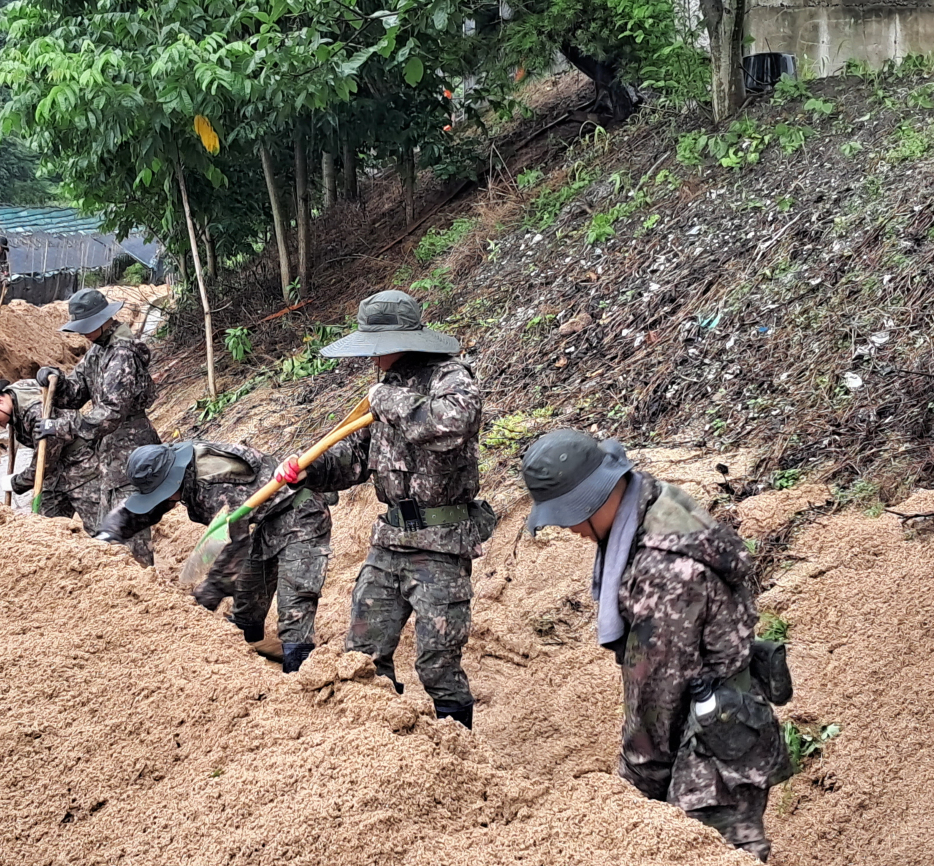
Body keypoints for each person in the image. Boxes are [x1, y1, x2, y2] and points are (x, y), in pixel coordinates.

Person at [520, 429, 792, 862]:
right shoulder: (654, 501)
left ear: (588, 502)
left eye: (565, 516)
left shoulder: (661, 570)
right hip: (722, 715)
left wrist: (634, 783)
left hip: (713, 744)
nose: (569, 530)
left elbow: (658, 693)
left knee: (715, 852)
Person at [272, 290, 494, 727]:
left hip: (441, 548)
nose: (371, 355)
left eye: (378, 344)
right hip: (389, 542)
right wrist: (308, 471)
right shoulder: (384, 390)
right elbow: (352, 459)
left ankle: (461, 757)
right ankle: (382, 741)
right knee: (364, 654)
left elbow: (449, 425)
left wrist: (386, 401)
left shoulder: (450, 378)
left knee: (437, 665)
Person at [97, 442, 333, 671]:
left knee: (294, 601)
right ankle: (248, 664)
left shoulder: (215, 487)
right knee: (249, 597)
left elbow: (234, 548)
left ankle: (299, 674)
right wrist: (109, 533)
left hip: (301, 511)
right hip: (262, 518)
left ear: (174, 480)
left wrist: (200, 602)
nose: (166, 498)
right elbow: (151, 504)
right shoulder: (169, 465)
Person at [35, 289, 159, 564]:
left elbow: (112, 412)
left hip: (132, 453)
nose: (84, 333)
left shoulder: (123, 354)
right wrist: (55, 379)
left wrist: (64, 427)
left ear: (105, 319)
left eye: (88, 327)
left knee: (130, 532)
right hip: (108, 453)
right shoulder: (99, 351)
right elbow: (76, 393)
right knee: (111, 533)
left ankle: (143, 593)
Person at [0, 379, 104, 529]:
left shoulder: (35, 413)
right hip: (55, 473)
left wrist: (16, 482)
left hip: (82, 465)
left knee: (100, 530)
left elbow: (44, 462)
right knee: (44, 527)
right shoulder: (13, 397)